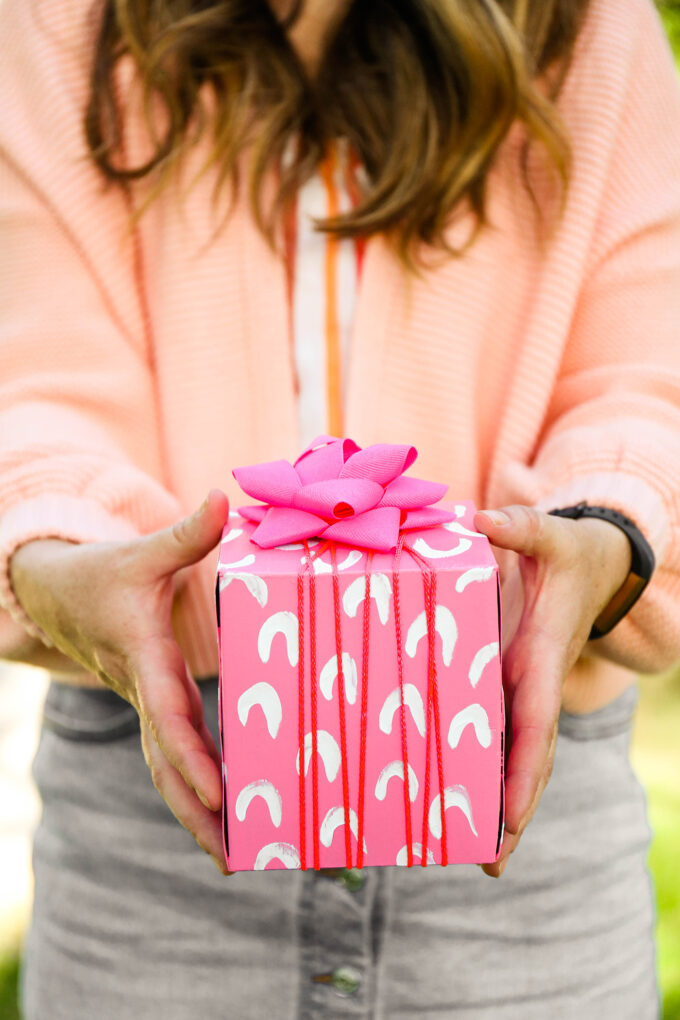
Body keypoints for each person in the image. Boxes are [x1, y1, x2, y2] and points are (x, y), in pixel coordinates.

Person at [1, 0, 679, 1016]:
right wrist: (52, 549)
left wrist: (605, 534)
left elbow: (645, 372)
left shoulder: (583, 25)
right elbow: (32, 381)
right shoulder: (56, 25)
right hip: (156, 814)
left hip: (516, 832)